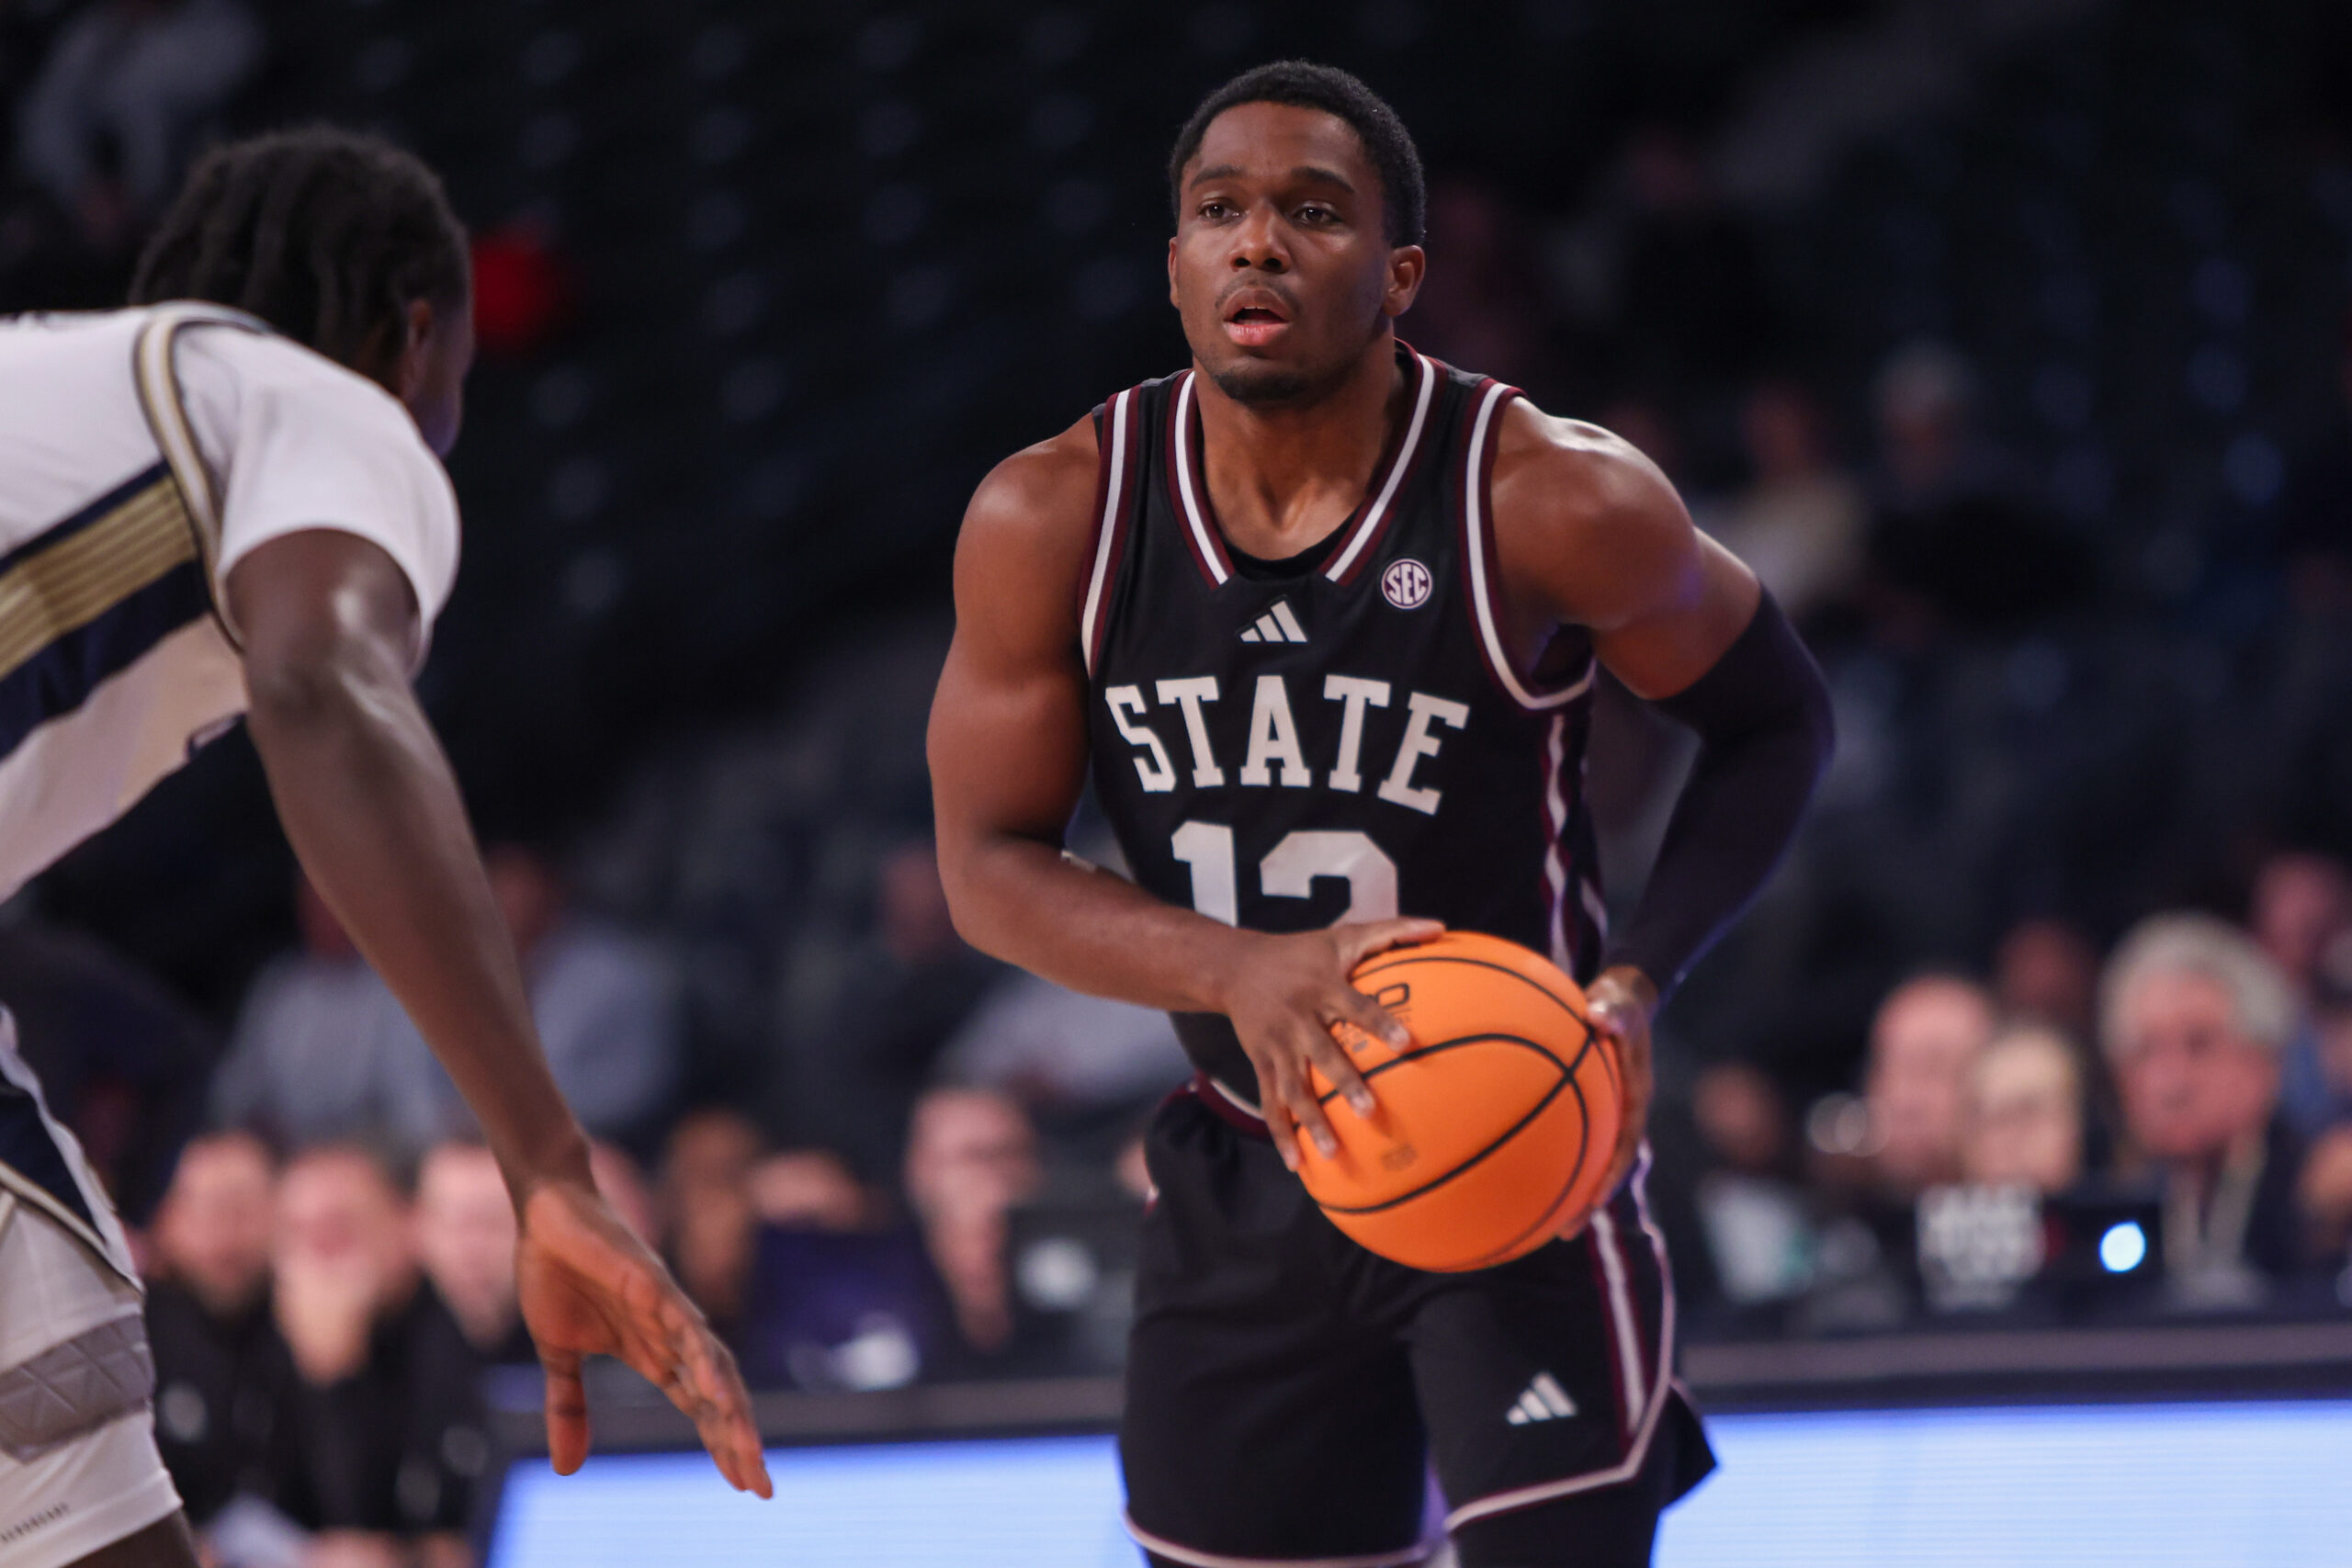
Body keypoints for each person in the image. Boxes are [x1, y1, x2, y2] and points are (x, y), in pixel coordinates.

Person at [928, 62, 1833, 1568]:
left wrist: (1640, 975)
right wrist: (1234, 969)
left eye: (1312, 212)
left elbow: (1777, 720)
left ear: (1403, 273)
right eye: (1219, 212)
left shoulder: (1551, 499)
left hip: (1509, 1138)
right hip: (1245, 1167)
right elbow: (984, 869)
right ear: (1175, 268)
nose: (1258, 245)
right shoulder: (1058, 517)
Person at [0, 128, 765, 1568]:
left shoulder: (70, 400)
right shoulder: (321, 409)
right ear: (413, 338)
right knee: (68, 1451)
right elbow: (323, 688)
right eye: (463, 379)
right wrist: (548, 1164)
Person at [2100, 915, 2309, 1298]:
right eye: (2145, 1052)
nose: (2171, 1083)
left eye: (2199, 1046)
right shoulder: (2103, 1203)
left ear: (2264, 1064)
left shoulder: (2317, 1196)